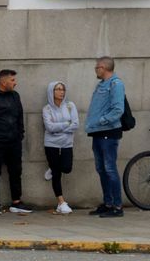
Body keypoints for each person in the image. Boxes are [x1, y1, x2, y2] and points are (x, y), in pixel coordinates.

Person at [0, 69, 32, 214]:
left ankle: (16, 201)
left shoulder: (16, 96)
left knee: (16, 171)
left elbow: (20, 117)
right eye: (12, 80)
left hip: (14, 142)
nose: (15, 83)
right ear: (3, 82)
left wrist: (19, 135)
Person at [85, 56, 126, 218]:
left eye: (97, 67)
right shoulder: (102, 84)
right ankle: (108, 203)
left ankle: (117, 206)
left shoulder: (116, 84)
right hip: (98, 132)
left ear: (104, 68)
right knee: (101, 169)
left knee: (109, 169)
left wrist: (102, 121)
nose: (96, 70)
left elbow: (118, 110)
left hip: (108, 132)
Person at [42, 81, 79, 215]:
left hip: (66, 143)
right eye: (58, 89)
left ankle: (53, 167)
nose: (61, 92)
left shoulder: (70, 106)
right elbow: (49, 127)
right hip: (51, 144)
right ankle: (61, 202)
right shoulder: (46, 109)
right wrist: (66, 124)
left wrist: (59, 128)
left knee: (67, 168)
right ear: (52, 92)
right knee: (57, 174)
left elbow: (75, 124)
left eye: (63, 89)